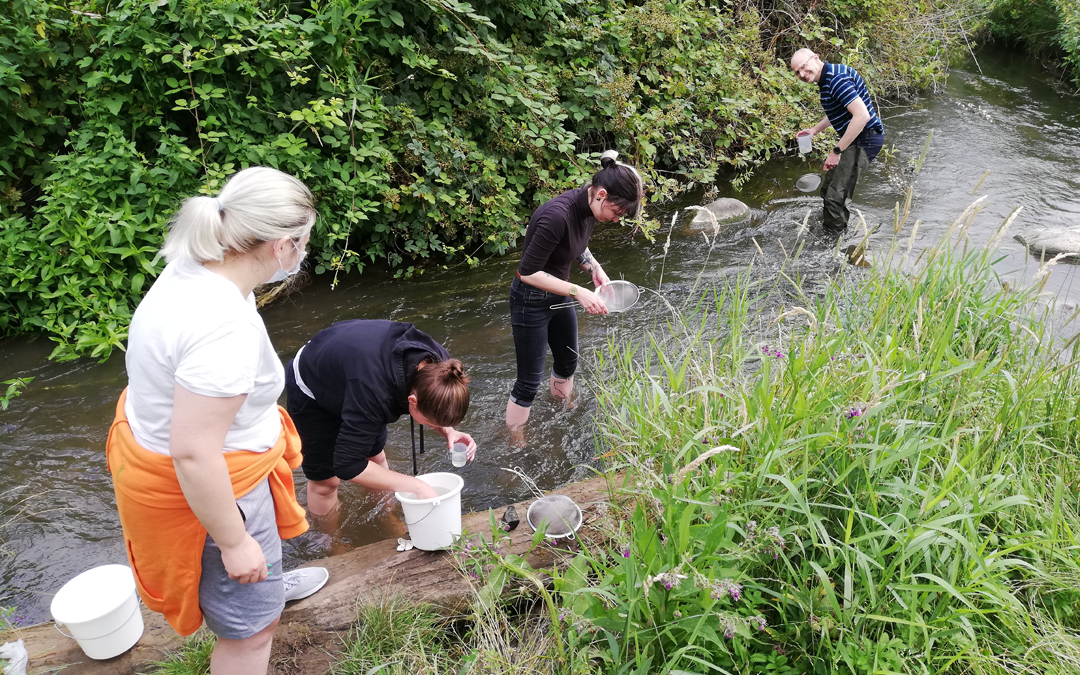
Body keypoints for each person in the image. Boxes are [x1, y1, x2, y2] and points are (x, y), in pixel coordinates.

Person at [106, 167, 329, 675]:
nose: (302, 254)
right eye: (302, 243)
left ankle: (263, 583)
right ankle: (254, 601)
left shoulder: (197, 265)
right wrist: (234, 541)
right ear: (279, 246)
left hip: (190, 457)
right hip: (216, 488)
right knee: (251, 634)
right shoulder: (221, 329)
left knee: (252, 590)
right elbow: (193, 452)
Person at [505, 150, 644, 431]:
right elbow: (527, 272)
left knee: (568, 363)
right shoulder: (556, 215)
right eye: (616, 212)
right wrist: (578, 291)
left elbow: (575, 245)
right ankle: (515, 439)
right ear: (602, 194)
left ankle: (562, 413)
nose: (616, 220)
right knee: (529, 382)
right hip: (530, 301)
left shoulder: (589, 207)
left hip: (560, 297)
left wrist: (595, 270)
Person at [285, 319, 476, 516]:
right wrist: (416, 485)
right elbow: (346, 465)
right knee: (326, 482)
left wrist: (449, 431)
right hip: (312, 383)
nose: (432, 427)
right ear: (412, 400)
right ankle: (333, 544)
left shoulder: (444, 370)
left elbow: (431, 406)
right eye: (429, 423)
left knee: (375, 458)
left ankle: (389, 520)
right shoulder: (374, 392)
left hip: (355, 368)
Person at [790, 48, 886, 233]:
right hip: (856, 137)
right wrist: (815, 130)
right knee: (828, 190)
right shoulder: (828, 78)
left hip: (865, 138)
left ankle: (834, 246)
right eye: (797, 72)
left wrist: (836, 151)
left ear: (815, 58)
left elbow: (861, 116)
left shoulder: (836, 80)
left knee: (835, 198)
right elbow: (841, 112)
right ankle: (833, 228)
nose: (801, 74)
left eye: (803, 67)